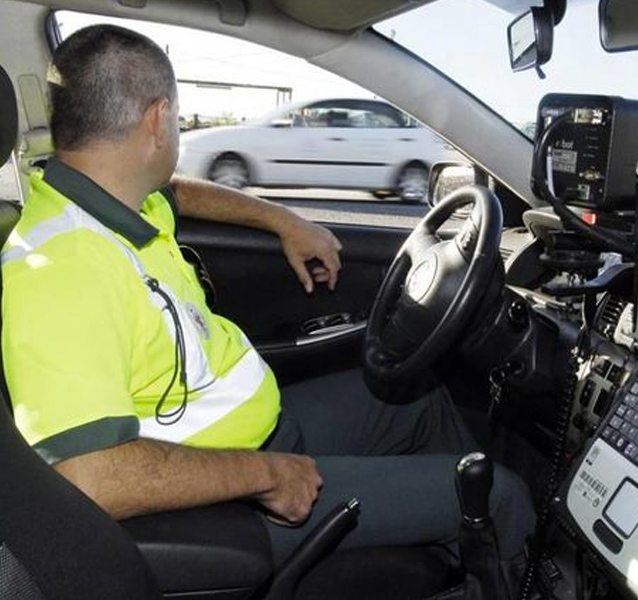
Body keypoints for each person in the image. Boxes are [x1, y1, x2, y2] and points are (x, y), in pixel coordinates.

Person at [1, 23, 534, 579]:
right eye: (177, 117)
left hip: (256, 433)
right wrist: (265, 475)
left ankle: (450, 562)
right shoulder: (59, 268)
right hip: (224, 505)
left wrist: (281, 220)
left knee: (419, 397)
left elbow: (178, 191)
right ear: (158, 120)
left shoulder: (114, 199)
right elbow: (90, 477)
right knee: (500, 494)